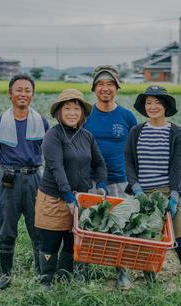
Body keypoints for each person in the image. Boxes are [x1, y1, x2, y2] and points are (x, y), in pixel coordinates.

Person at [124, 85, 181, 303]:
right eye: (149, 102)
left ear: (166, 106)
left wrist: (175, 195)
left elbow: (178, 166)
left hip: (172, 193)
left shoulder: (176, 132)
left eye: (157, 102)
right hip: (145, 196)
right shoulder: (136, 132)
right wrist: (137, 188)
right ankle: (151, 289)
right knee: (149, 244)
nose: (152, 106)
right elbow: (129, 162)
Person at [34, 89, 108, 287]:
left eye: (76, 108)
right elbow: (56, 168)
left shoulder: (87, 136)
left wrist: (101, 185)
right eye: (67, 108)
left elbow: (100, 164)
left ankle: (64, 278)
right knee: (50, 243)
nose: (72, 112)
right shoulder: (53, 135)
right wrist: (67, 196)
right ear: (59, 112)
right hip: (54, 198)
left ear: (82, 113)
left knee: (71, 242)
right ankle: (46, 282)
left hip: (79, 199)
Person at [0, 74, 49, 290]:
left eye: (27, 90)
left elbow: (46, 151)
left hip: (34, 178)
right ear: (10, 93)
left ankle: (42, 274)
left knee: (39, 227)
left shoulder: (41, 121)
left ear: (32, 94)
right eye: (19, 90)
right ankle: (5, 273)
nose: (23, 94)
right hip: (8, 180)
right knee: (6, 228)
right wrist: (9, 168)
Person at [83, 64, 137, 289]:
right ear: (94, 88)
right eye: (101, 84)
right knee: (86, 226)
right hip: (90, 180)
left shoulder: (126, 116)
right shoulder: (85, 114)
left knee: (121, 227)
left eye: (110, 84)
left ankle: (122, 272)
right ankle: (82, 270)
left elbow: (136, 150)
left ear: (117, 87)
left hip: (120, 180)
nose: (105, 89)